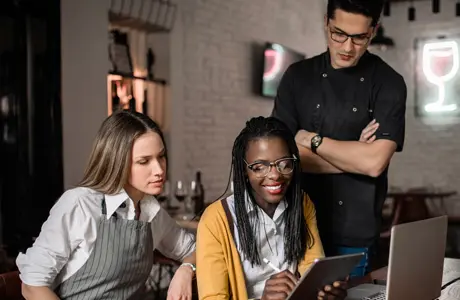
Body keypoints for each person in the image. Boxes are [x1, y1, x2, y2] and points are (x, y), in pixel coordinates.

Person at [271, 0, 406, 277]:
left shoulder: (388, 82)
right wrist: (354, 154)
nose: (347, 47)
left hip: (353, 236)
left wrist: (312, 140)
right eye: (338, 34)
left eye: (359, 38)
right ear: (326, 23)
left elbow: (374, 164)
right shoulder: (297, 77)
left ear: (373, 31)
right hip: (296, 228)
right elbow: (280, 158)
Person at [16, 110, 196, 300]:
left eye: (161, 156)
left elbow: (198, 250)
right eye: (144, 161)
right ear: (117, 161)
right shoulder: (80, 204)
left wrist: (186, 270)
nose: (159, 170)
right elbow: (32, 286)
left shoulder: (151, 211)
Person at [196, 116, 347, 300]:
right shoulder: (216, 219)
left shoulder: (302, 203)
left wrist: (324, 290)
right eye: (259, 167)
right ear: (244, 170)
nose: (275, 175)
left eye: (284, 164)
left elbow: (312, 266)